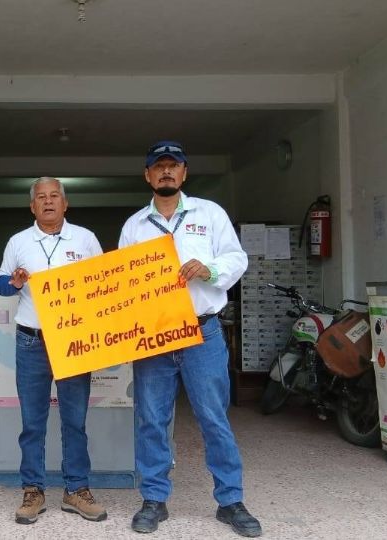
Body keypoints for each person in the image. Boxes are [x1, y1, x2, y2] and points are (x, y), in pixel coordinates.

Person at [119, 142, 260, 537]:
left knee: (214, 418)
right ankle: (153, 499)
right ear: (147, 176)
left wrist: (209, 269)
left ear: (184, 173)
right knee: (151, 419)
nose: (166, 172)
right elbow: (123, 286)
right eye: (158, 166)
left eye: (173, 166)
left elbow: (237, 259)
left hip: (203, 331)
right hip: (155, 337)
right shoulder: (134, 226)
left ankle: (230, 501)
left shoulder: (210, 214)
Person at [0, 177, 108, 525]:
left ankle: (77, 489)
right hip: (32, 340)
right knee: (33, 422)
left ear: (65, 203)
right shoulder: (18, 241)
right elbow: (0, 284)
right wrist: (12, 282)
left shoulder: (86, 239)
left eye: (54, 196)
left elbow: (104, 284)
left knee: (75, 420)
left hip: (73, 341)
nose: (47, 202)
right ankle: (33, 490)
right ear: (32, 206)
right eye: (40, 197)